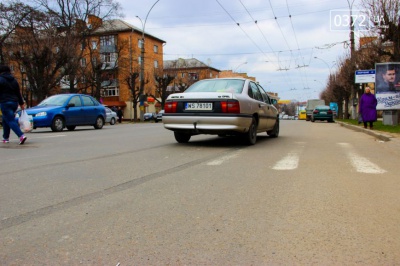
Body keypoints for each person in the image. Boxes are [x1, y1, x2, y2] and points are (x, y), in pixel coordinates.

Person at [0, 65, 27, 144]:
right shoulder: (14, 80)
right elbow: (18, 93)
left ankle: (21, 136)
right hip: (14, 103)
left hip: (5, 102)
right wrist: (21, 103)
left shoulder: (1, 80)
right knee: (5, 119)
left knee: (10, 119)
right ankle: (6, 138)